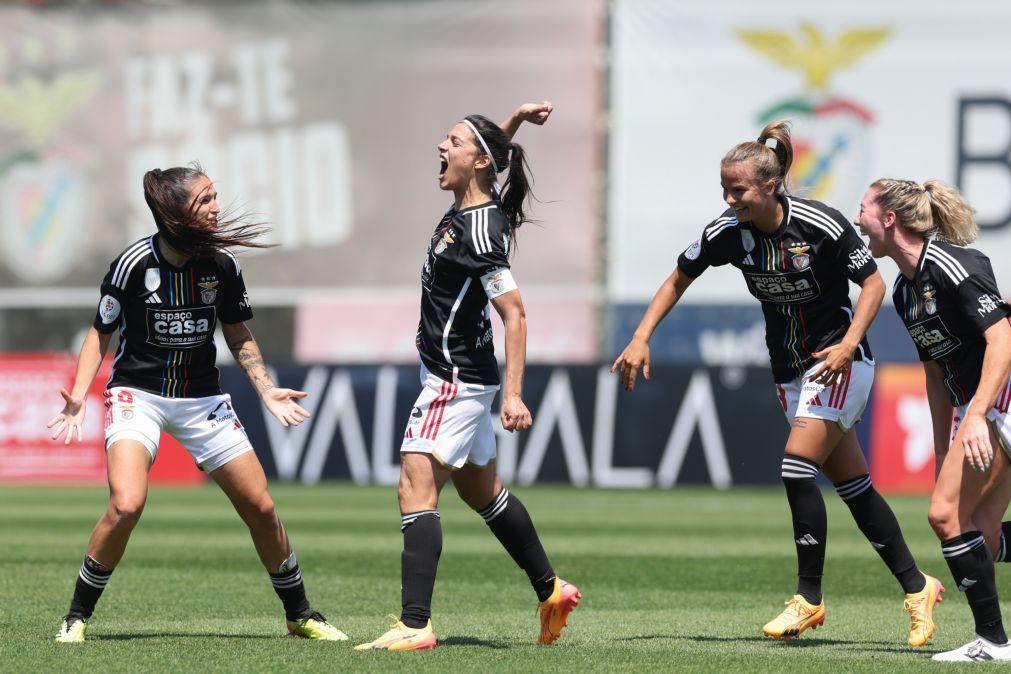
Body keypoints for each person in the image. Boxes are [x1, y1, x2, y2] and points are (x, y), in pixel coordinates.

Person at [612, 121, 943, 645]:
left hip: (839, 363)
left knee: (795, 466)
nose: (729, 198)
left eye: (738, 189)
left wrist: (850, 342)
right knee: (855, 488)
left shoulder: (820, 225)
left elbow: (875, 284)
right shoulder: (728, 232)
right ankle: (917, 584)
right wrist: (640, 336)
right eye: (724, 189)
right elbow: (679, 276)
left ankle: (808, 598)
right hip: (789, 372)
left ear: (770, 185)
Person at [49, 164, 346, 643]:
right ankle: (77, 616)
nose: (216, 208)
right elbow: (100, 332)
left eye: (215, 197)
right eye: (205, 199)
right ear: (174, 213)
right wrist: (78, 396)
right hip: (137, 395)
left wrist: (265, 388)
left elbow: (237, 332)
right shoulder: (133, 264)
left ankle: (300, 615)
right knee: (126, 506)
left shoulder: (223, 266)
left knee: (262, 508)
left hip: (202, 399)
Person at [354, 102, 581, 652]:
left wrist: (516, 395)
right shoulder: (477, 204)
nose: (441, 146)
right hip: (464, 377)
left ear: (476, 162)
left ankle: (414, 625)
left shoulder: (479, 231)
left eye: (452, 141)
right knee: (484, 493)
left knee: (415, 487)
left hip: (455, 381)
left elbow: (516, 313)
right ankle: (551, 590)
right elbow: (490, 152)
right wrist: (517, 120)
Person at [856, 178, 1011, 661]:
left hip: (1001, 400)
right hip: (983, 407)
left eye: (862, 208)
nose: (857, 217)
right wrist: (944, 446)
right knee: (981, 532)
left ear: (888, 219)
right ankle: (994, 642)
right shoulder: (904, 291)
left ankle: (993, 643)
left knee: (944, 517)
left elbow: (1003, 341)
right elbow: (936, 373)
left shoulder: (953, 263)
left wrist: (977, 417)